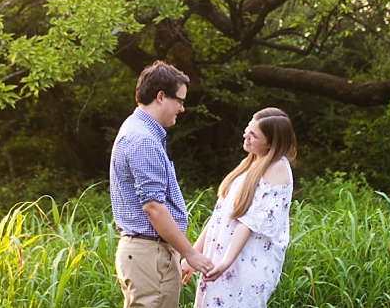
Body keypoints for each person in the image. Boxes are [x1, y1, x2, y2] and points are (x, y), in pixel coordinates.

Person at [110, 61, 215, 308]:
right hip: (150, 255)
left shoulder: (136, 130)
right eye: (179, 101)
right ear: (160, 97)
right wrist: (191, 253)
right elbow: (153, 208)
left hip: (148, 255)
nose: (181, 108)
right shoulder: (143, 139)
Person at [184, 107, 296, 308]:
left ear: (271, 142)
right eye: (247, 129)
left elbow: (249, 222)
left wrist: (226, 263)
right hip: (222, 259)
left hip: (242, 264)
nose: (246, 135)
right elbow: (220, 217)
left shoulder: (277, 168)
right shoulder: (250, 163)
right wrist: (193, 256)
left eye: (254, 135)